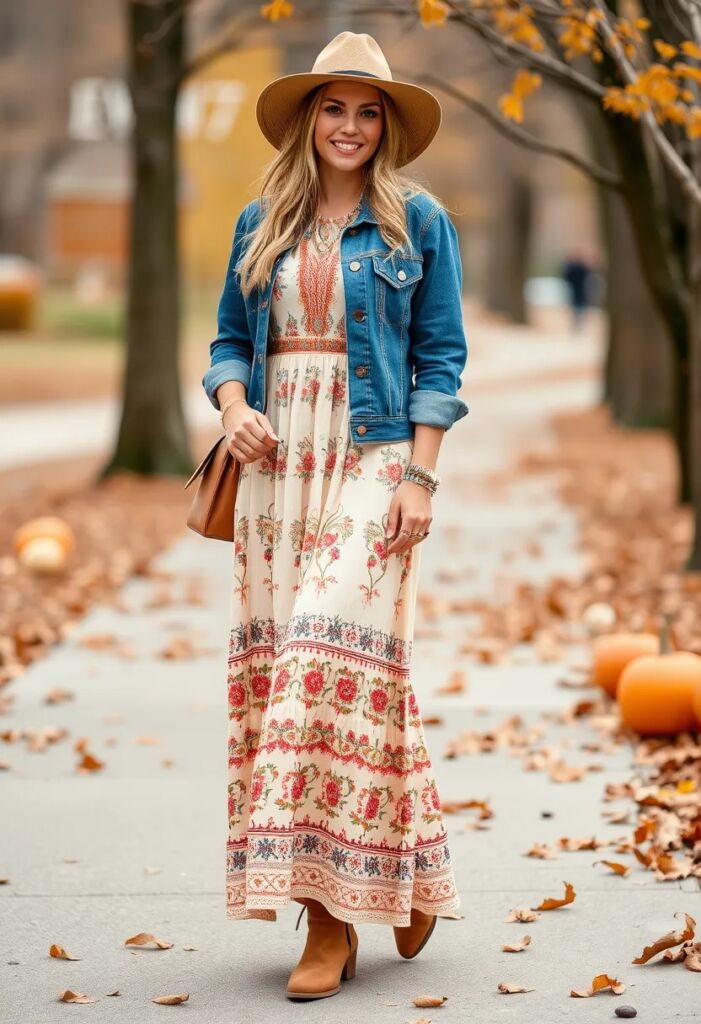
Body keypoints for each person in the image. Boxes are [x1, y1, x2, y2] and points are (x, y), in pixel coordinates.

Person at [201, 30, 468, 1001]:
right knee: (293, 677)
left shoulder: (418, 223)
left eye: (366, 111)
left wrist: (419, 479)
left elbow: (441, 357)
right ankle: (383, 883)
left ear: (385, 126)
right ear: (307, 120)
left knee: (328, 663)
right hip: (278, 470)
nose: (349, 127)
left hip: (372, 455)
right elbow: (229, 344)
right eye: (332, 108)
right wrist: (235, 410)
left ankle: (336, 911)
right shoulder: (258, 219)